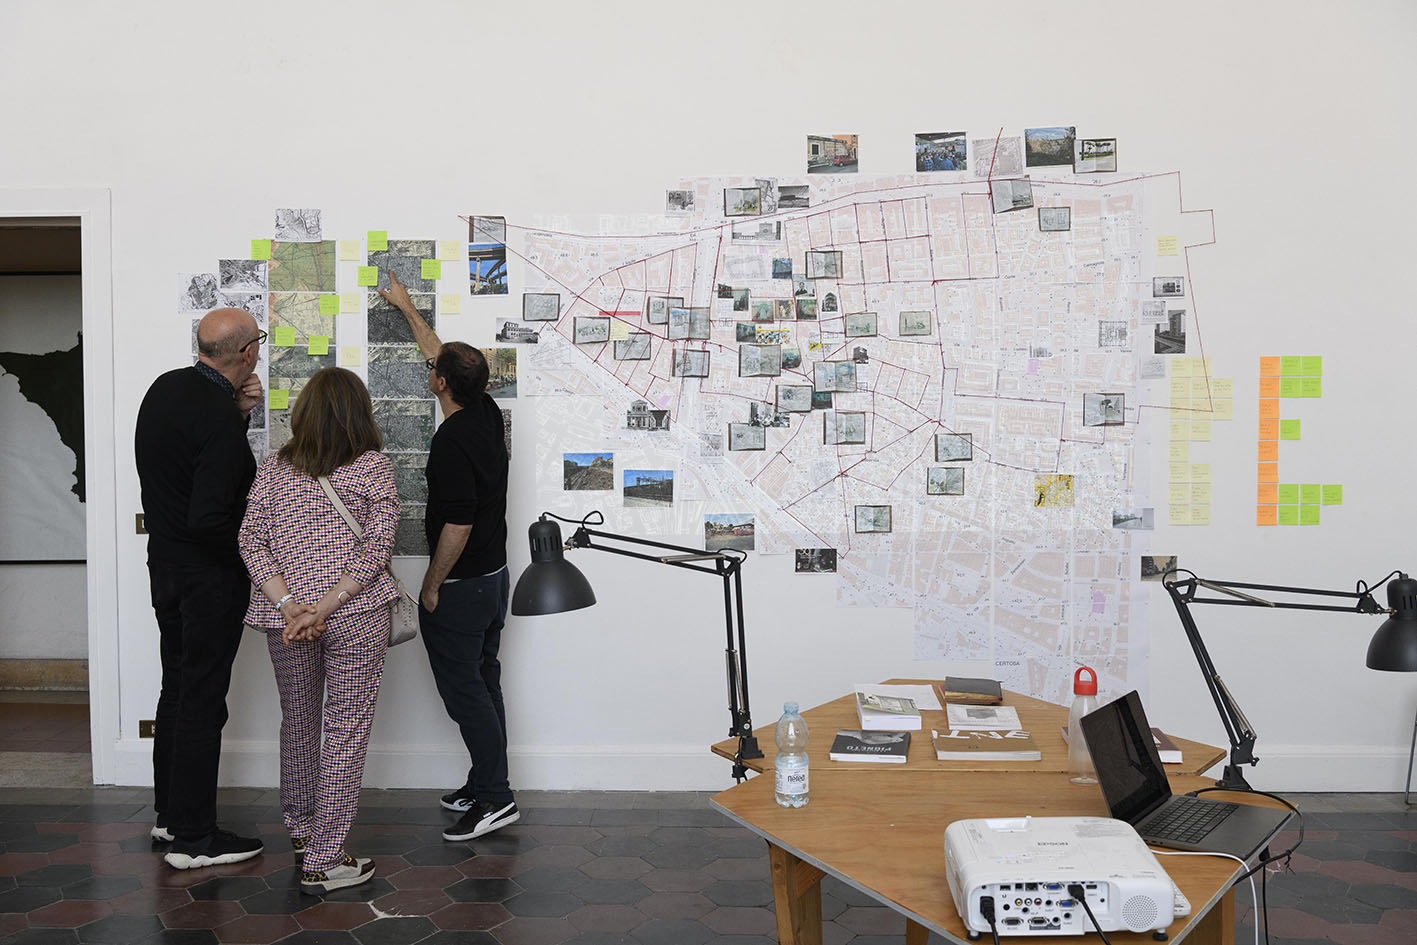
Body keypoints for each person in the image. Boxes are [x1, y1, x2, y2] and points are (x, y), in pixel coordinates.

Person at [239, 367, 400, 893]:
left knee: (299, 722)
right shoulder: (372, 467)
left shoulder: (274, 469)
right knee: (345, 729)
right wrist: (325, 607)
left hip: (285, 620)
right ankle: (327, 859)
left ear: (304, 413)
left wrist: (291, 606)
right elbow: (378, 547)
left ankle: (304, 832)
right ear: (359, 413)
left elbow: (250, 541)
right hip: (355, 614)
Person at [377, 271, 517, 841]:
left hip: (461, 589)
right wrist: (407, 308)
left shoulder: (453, 441)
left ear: (440, 385)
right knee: (484, 684)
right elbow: (441, 354)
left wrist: (432, 584)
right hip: (494, 580)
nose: (430, 369)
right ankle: (487, 782)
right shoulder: (485, 411)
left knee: (467, 695)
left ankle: (497, 798)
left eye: (434, 370)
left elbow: (457, 526)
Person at [134, 307, 266, 869]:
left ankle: (171, 816)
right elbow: (211, 514)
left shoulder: (165, 389)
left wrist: (238, 415)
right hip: (206, 578)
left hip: (164, 566)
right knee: (203, 701)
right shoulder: (215, 413)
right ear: (247, 353)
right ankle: (195, 838)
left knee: (178, 689)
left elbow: (191, 466)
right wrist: (253, 562)